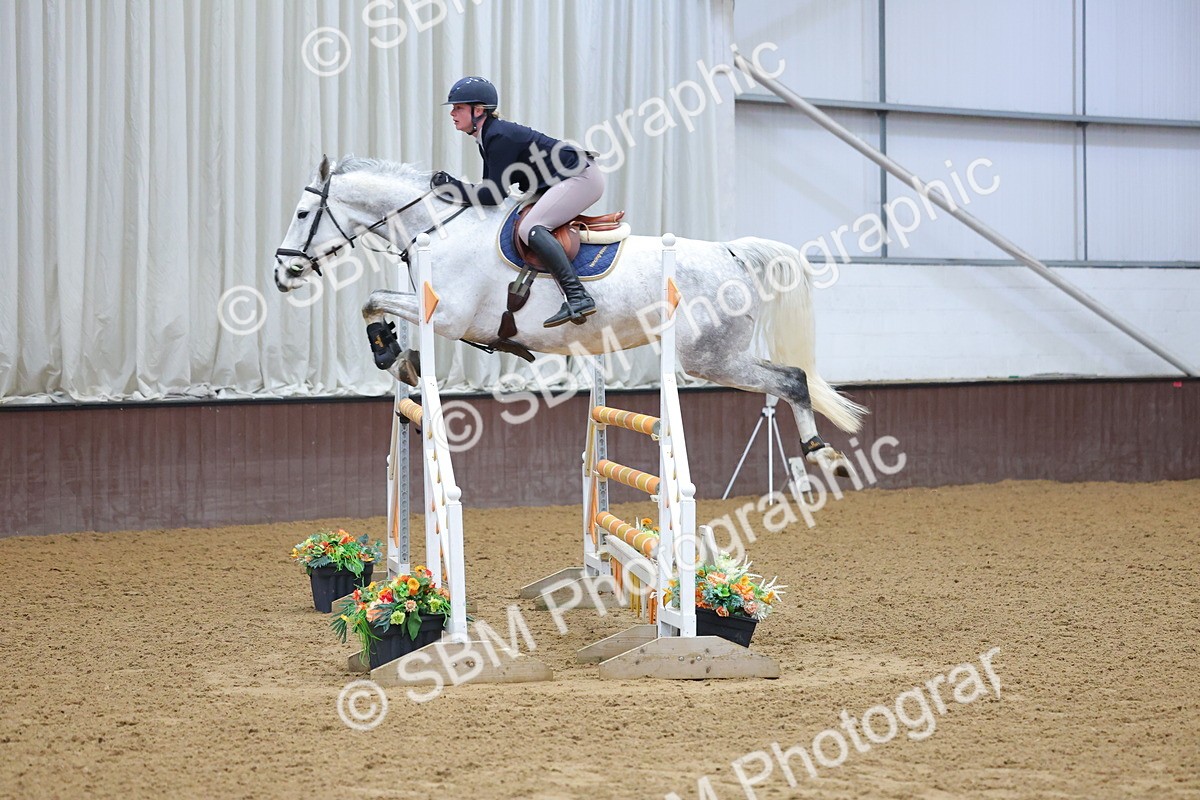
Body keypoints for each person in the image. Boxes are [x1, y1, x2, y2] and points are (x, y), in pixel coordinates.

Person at [431, 76, 603, 328]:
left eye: (458, 107)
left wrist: (452, 187)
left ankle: (577, 296)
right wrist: (455, 188)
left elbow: (492, 195)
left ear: (478, 111)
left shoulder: (499, 137)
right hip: (561, 180)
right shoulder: (488, 135)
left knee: (529, 228)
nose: (453, 113)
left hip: (581, 177)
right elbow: (492, 194)